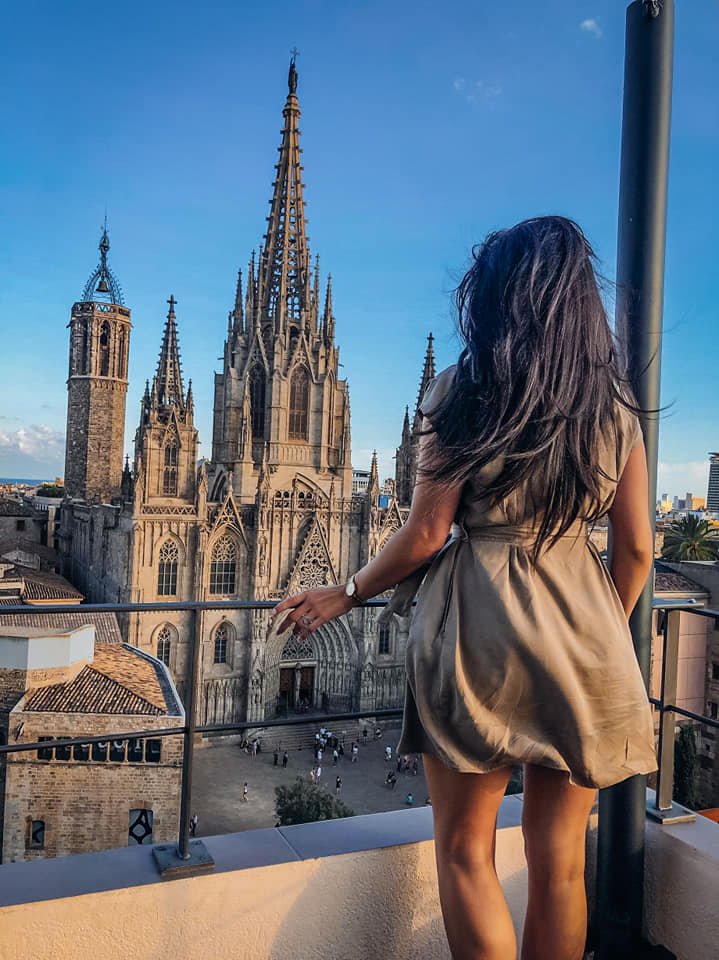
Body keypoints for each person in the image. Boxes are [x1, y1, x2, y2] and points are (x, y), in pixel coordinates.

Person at [273, 217, 656, 960]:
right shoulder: (614, 407)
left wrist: (346, 592)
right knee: (560, 865)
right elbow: (638, 548)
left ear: (494, 296)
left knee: (465, 852)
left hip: (475, 635)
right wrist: (598, 621)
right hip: (584, 641)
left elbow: (423, 534)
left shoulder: (464, 386)